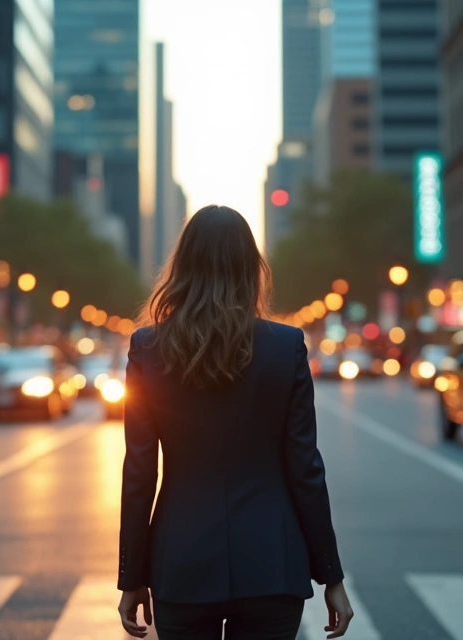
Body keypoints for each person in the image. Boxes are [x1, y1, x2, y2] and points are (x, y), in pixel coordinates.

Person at [118, 205, 353, 639]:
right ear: (251, 268)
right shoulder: (286, 347)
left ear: (182, 267)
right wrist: (331, 575)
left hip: (182, 562)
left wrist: (131, 576)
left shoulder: (148, 349)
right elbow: (305, 468)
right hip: (271, 561)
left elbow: (139, 473)